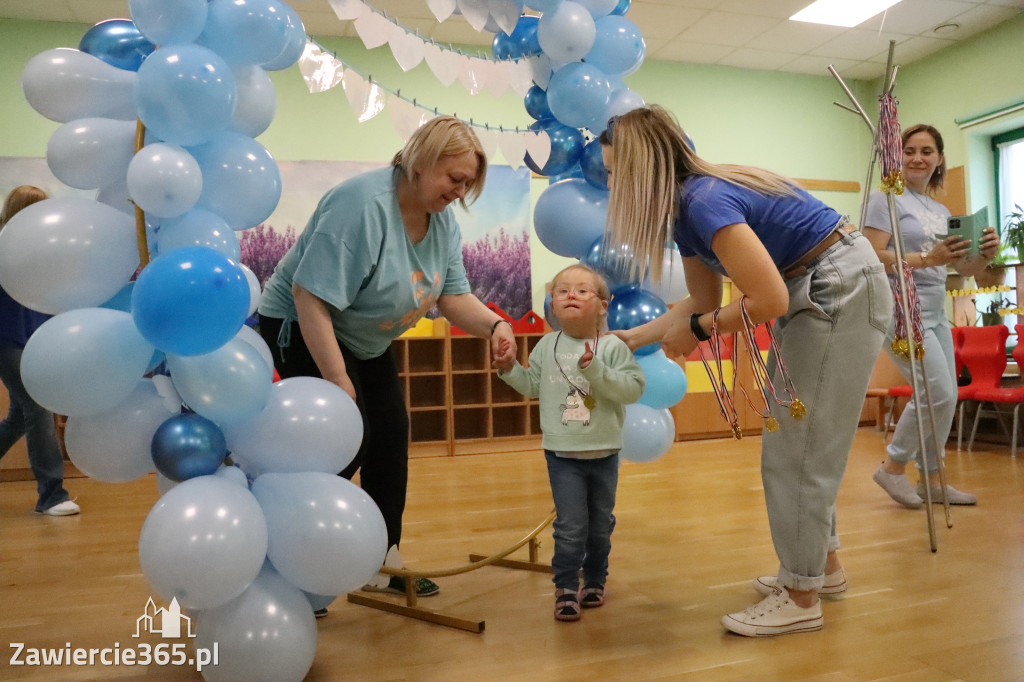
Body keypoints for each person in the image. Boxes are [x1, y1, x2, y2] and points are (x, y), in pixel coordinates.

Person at [599, 105, 891, 637]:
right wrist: (638, 337)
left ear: (645, 170)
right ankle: (821, 572)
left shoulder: (703, 201)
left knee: (798, 449)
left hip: (835, 288)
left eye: (617, 172)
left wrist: (704, 330)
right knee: (799, 440)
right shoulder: (687, 210)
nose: (613, 183)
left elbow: (769, 299)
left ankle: (801, 598)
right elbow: (703, 299)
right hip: (826, 283)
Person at [258, 117, 517, 603]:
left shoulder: (440, 221)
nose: (459, 192)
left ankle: (380, 560)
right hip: (302, 324)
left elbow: (454, 297)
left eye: (467, 184)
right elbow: (308, 295)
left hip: (366, 340)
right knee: (345, 442)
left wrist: (496, 326)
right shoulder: (360, 206)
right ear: (419, 163)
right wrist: (337, 380)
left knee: (390, 438)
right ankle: (299, 558)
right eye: (454, 178)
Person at [495, 264, 644, 621]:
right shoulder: (547, 345)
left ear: (602, 307)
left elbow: (633, 389)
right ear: (553, 304)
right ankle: (564, 586)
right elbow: (532, 386)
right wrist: (508, 368)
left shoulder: (613, 348)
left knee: (599, 523)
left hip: (605, 450)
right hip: (562, 453)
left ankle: (595, 579)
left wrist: (596, 370)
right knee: (571, 524)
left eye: (581, 290)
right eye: (562, 291)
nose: (570, 295)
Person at [865, 124, 998, 508]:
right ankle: (892, 468)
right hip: (901, 309)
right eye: (909, 151)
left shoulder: (941, 211)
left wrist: (984, 254)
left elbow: (965, 270)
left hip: (937, 311)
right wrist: (925, 258)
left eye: (926, 151)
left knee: (947, 394)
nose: (917, 158)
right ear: (898, 156)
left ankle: (932, 478)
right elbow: (870, 255)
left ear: (939, 158)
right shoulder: (885, 200)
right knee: (935, 391)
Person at [0, 186, 79, 516]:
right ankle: (52, 495)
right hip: (6, 340)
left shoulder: (42, 249)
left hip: (34, 339)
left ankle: (51, 494)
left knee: (20, 417)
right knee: (38, 407)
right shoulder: (5, 246)